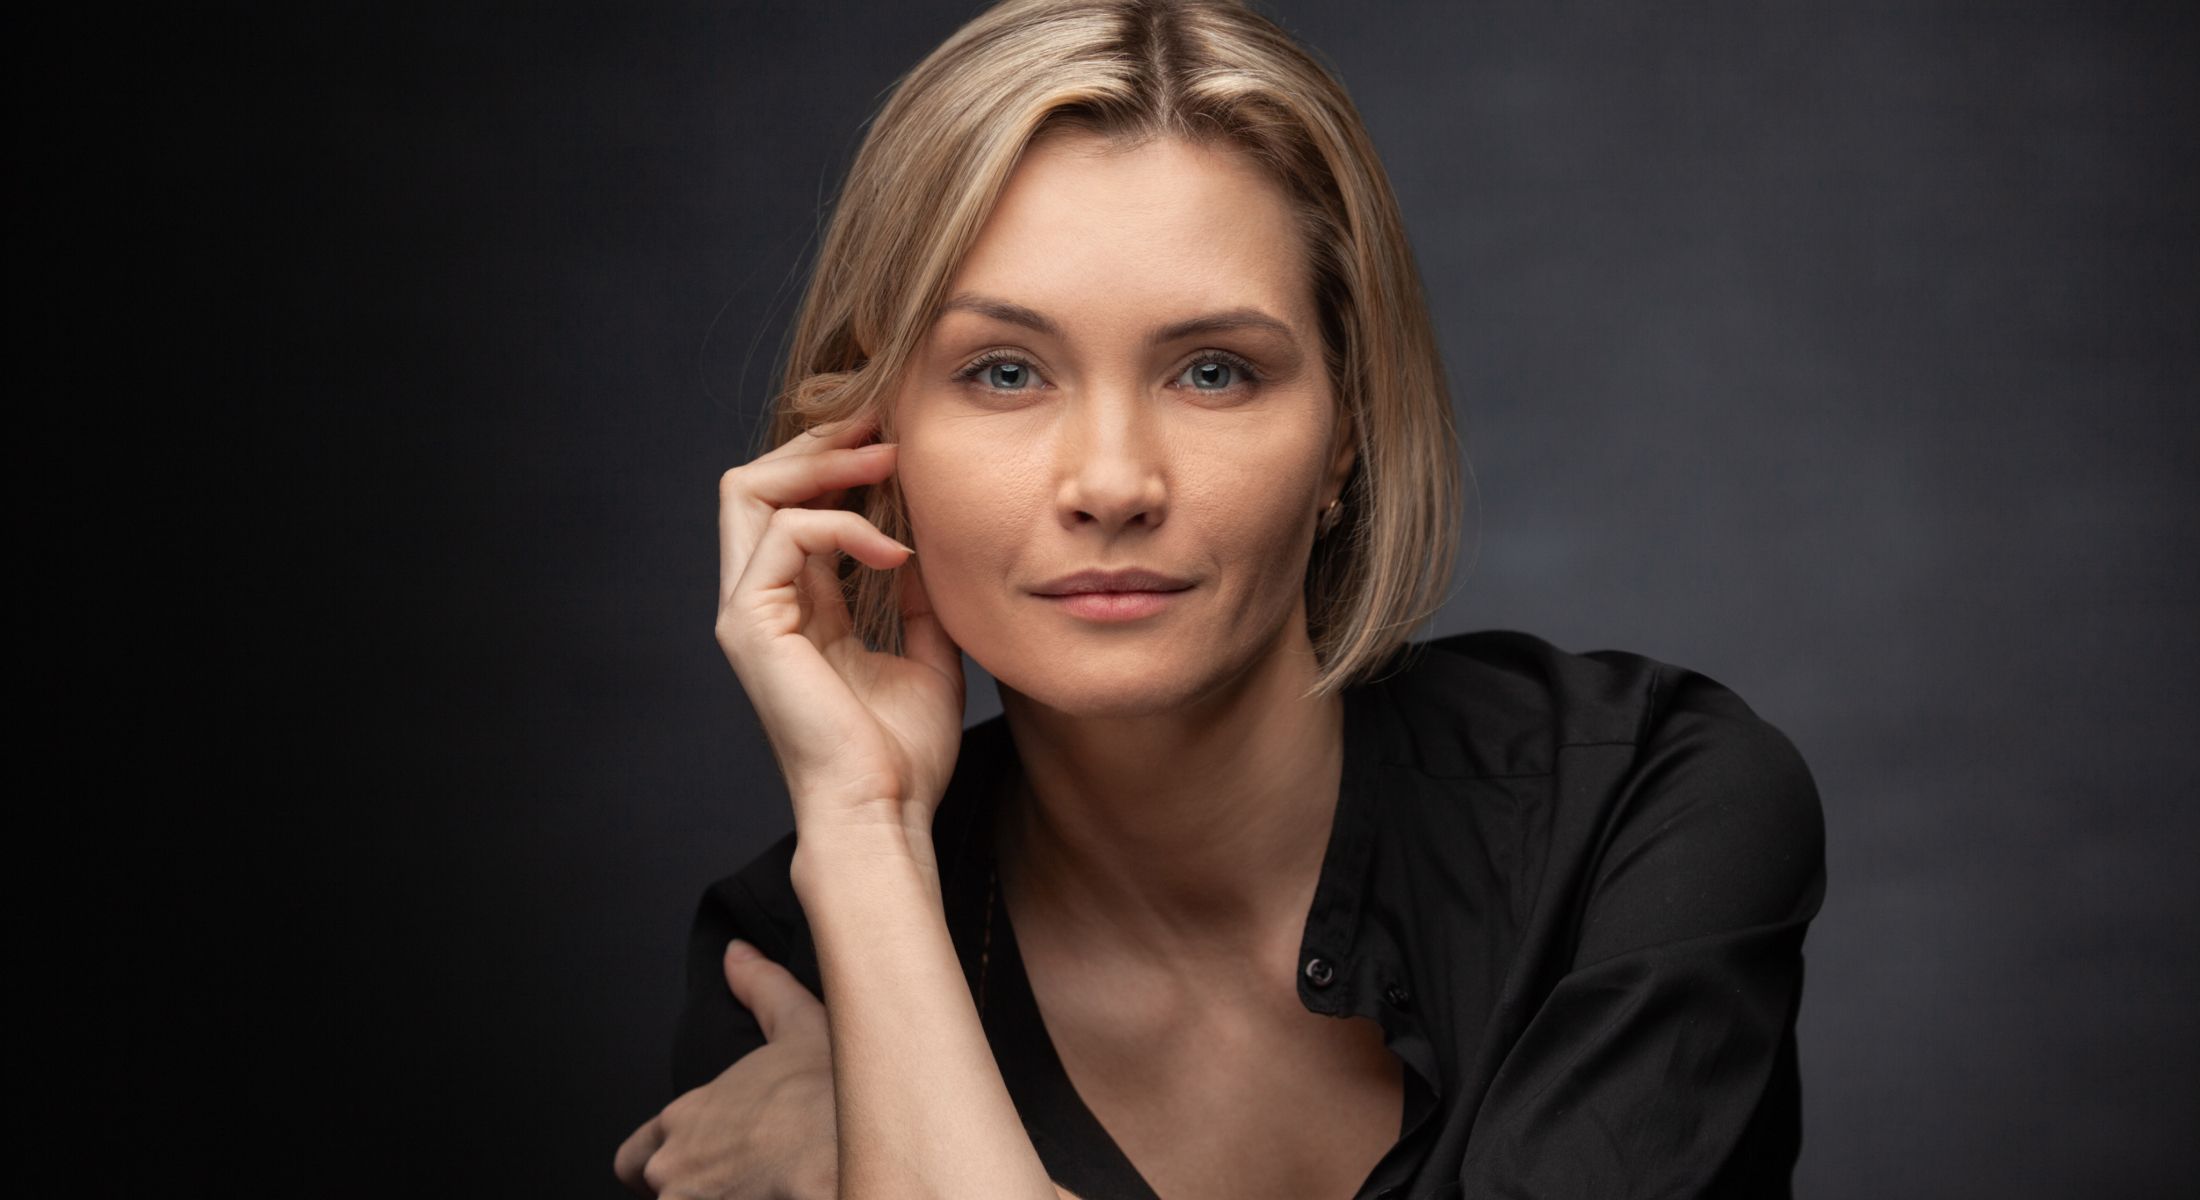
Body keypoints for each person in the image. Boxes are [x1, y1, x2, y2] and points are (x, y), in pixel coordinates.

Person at [615, 1, 1827, 1197]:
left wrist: (873, 1150)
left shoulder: (1642, 809)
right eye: (1002, 371)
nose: (1111, 484)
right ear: (868, 438)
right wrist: (870, 832)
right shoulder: (800, 957)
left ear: (1344, 430)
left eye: (1212, 372)